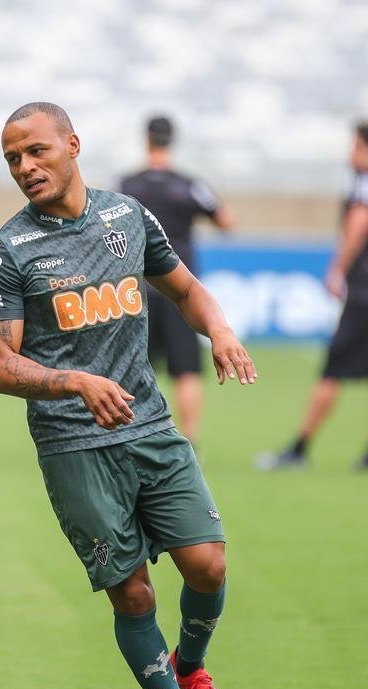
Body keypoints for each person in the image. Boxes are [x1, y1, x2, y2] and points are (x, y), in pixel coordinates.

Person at [0, 102, 257, 689]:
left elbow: (186, 289)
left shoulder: (127, 216)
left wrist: (217, 329)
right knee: (133, 593)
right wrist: (75, 381)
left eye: (37, 151)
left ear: (73, 145)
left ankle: (191, 667)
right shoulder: (11, 248)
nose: (25, 167)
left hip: (151, 428)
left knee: (209, 565)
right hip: (73, 446)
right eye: (13, 158)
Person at [256, 122, 368, 472]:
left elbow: (359, 224)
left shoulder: (366, 183)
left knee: (334, 368)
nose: (350, 154)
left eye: (356, 146)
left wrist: (337, 269)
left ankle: (299, 448)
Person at [119, 116, 234, 446]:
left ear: (147, 140)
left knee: (134, 369)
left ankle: (134, 437)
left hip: (136, 290)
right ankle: (190, 440)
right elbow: (226, 221)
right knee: (186, 370)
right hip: (179, 290)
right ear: (172, 141)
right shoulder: (189, 185)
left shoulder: (127, 184)